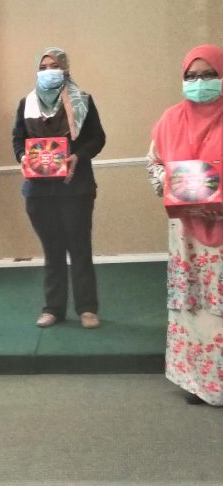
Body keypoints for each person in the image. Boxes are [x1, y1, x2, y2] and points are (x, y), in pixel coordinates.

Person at [146, 44, 223, 407]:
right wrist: (175, 187)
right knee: (192, 305)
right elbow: (154, 163)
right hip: (186, 235)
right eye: (191, 76)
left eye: (209, 74)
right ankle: (197, 381)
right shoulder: (170, 119)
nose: (199, 82)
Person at [11, 47, 106, 329]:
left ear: (65, 69)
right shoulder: (26, 103)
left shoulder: (83, 100)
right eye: (43, 67)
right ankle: (53, 309)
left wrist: (79, 156)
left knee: (79, 248)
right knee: (52, 251)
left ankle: (87, 309)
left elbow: (97, 138)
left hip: (75, 187)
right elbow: (18, 139)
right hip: (38, 190)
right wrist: (22, 157)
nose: (48, 71)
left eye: (54, 65)